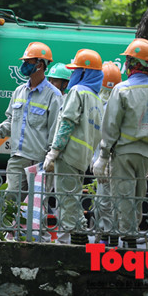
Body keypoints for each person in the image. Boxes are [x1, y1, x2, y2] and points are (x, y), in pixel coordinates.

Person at [93, 38, 148, 248]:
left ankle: (128, 242)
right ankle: (130, 236)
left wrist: (103, 155)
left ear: (132, 62)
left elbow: (111, 126)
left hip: (124, 153)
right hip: (146, 155)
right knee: (137, 196)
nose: (125, 64)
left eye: (127, 60)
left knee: (123, 197)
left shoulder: (122, 90)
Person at [0, 42, 62, 203]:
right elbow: (11, 121)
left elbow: (56, 129)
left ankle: (35, 229)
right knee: (10, 199)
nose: (24, 65)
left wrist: (52, 157)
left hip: (39, 161)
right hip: (17, 158)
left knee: (36, 205)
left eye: (28, 62)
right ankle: (10, 229)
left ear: (40, 65)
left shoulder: (53, 96)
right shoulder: (19, 91)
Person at [43, 49, 104, 245]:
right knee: (73, 198)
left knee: (66, 200)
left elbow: (67, 122)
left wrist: (54, 151)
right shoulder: (96, 99)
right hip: (82, 158)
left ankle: (70, 244)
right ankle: (79, 238)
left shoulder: (77, 92)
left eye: (77, 70)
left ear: (85, 72)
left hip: (68, 154)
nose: (73, 75)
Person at [93, 61, 123, 246]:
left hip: (107, 160)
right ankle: (104, 234)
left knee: (105, 201)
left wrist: (99, 160)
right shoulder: (117, 101)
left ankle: (106, 237)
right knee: (104, 200)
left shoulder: (103, 104)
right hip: (107, 160)